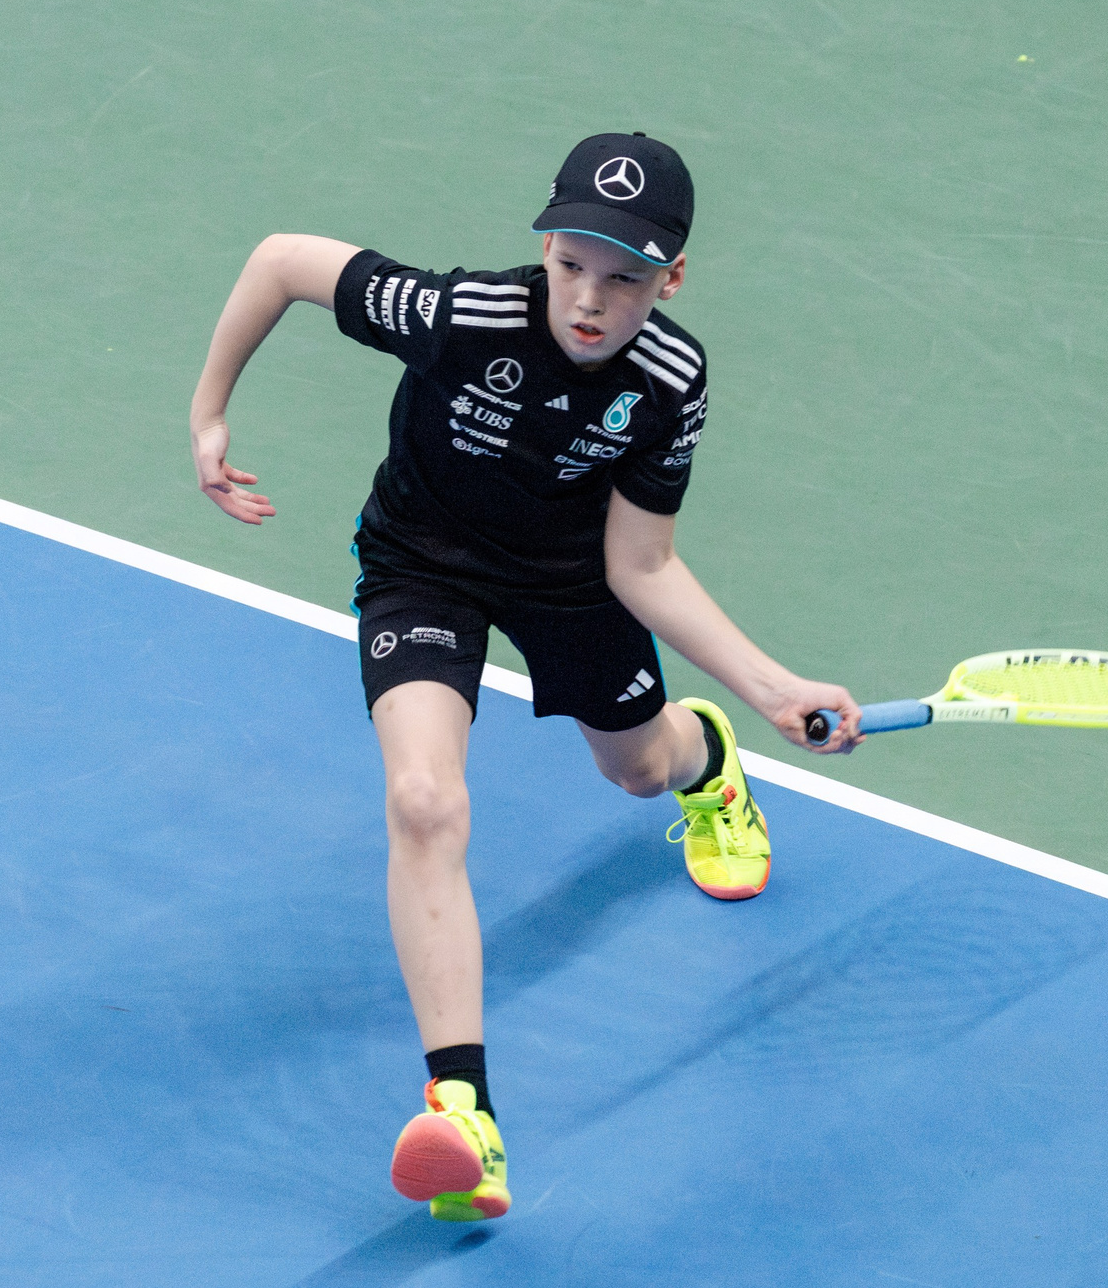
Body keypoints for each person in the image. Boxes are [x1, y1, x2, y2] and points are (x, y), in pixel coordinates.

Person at [188, 133, 860, 1221]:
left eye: (625, 278)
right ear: (544, 245)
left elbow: (642, 563)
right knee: (422, 800)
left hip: (573, 583)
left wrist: (768, 688)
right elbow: (279, 261)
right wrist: (209, 411)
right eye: (571, 264)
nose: (589, 300)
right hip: (421, 567)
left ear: (671, 278)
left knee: (638, 769)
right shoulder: (463, 316)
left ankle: (708, 764)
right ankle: (465, 1113)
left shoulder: (666, 383)